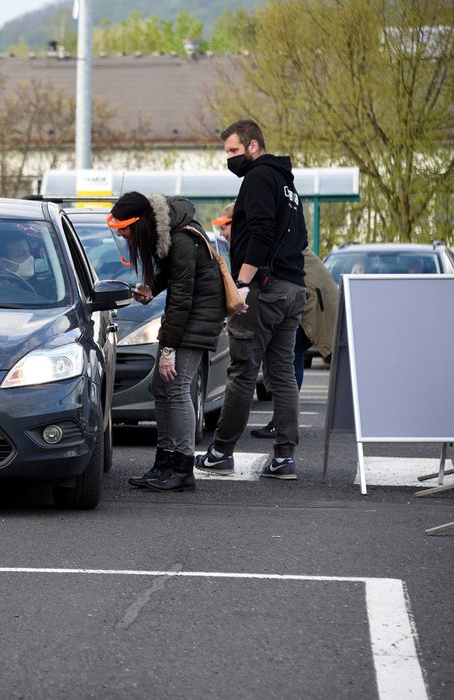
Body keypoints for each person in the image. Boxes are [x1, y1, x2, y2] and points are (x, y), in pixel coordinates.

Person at [195, 119, 308, 480]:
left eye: (233, 151)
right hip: (292, 288)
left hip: (265, 287)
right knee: (282, 373)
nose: (229, 159)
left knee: (243, 371)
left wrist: (242, 283)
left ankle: (222, 452)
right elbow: (300, 238)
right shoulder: (287, 183)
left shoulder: (258, 178)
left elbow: (259, 231)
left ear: (253, 146)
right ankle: (284, 458)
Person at [108, 192, 226, 492]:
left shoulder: (183, 240)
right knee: (163, 387)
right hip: (189, 313)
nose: (122, 234)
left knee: (176, 387)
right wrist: (152, 288)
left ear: (141, 223)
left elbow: (183, 297)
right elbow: (174, 277)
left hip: (196, 317)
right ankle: (164, 463)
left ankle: (183, 467)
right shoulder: (169, 234)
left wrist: (169, 351)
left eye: (125, 228)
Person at [250, 246, 339, 438]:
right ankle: (285, 421)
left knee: (286, 356)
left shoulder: (270, 240)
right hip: (313, 298)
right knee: (289, 355)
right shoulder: (289, 240)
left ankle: (283, 422)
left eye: (224, 227)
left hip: (313, 303)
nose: (223, 234)